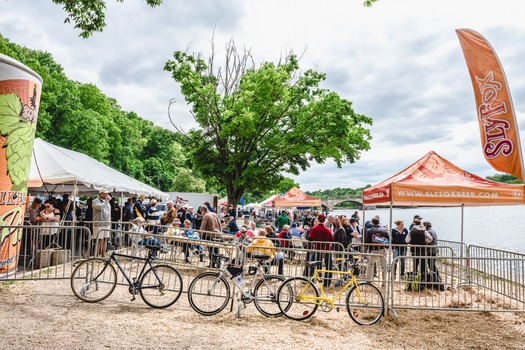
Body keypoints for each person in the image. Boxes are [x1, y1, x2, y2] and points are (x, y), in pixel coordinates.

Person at [307, 214, 334, 286]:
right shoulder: (327, 229)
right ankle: (327, 282)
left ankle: (311, 280)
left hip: (317, 249)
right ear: (324, 220)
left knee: (312, 264)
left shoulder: (314, 229)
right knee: (328, 266)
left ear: (318, 220)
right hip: (327, 249)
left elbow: (310, 238)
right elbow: (332, 239)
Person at [364, 216, 389, 283]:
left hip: (373, 250)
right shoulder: (384, 230)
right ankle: (384, 281)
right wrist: (386, 247)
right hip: (383, 250)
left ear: (372, 223)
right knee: (383, 266)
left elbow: (367, 241)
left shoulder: (369, 231)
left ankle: (368, 280)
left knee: (370, 265)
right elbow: (389, 239)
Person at [92, 189, 112, 257]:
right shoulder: (95, 201)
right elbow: (100, 207)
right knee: (99, 240)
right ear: (100, 194)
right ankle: (97, 255)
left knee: (105, 239)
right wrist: (106, 201)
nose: (107, 195)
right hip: (99, 224)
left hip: (107, 223)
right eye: (105, 193)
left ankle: (103, 255)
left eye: (107, 193)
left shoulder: (107, 202)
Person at [332, 216, 349, 286]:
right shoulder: (336, 227)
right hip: (336, 249)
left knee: (341, 264)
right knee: (340, 264)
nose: (336, 221)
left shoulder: (341, 229)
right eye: (335, 220)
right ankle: (343, 278)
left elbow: (342, 241)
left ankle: (344, 278)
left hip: (340, 249)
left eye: (337, 220)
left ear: (340, 220)